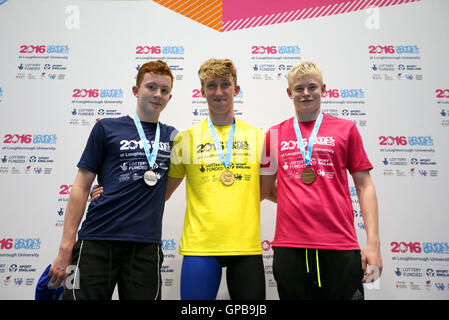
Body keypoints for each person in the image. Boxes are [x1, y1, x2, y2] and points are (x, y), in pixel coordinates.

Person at [48, 60, 177, 300]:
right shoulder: (106, 128)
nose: (157, 94)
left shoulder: (174, 137)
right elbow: (81, 186)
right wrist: (66, 247)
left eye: (164, 90)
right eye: (151, 87)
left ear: (170, 97)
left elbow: (167, 189)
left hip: (145, 247)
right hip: (97, 241)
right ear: (136, 91)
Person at [260, 61, 382, 300]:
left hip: (339, 244)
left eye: (312, 87)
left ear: (323, 89)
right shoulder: (274, 134)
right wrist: (291, 197)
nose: (305, 93)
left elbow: (365, 186)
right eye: (299, 88)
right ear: (289, 92)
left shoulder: (346, 129)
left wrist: (373, 243)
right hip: (291, 247)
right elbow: (263, 190)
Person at [165, 58, 266, 300]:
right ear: (202, 92)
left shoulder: (260, 137)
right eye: (211, 86)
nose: (218, 92)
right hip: (200, 246)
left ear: (236, 89)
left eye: (225, 84)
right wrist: (115, 192)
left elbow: (269, 191)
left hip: (245, 246)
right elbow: (162, 193)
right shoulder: (184, 140)